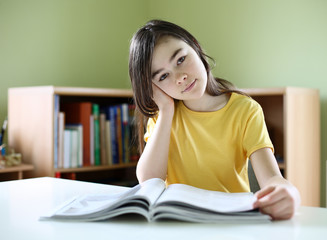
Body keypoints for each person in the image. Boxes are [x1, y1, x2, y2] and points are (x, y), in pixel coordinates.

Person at [128, 19, 300, 220]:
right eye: (163, 76)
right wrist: (166, 110)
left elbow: (272, 178)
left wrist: (290, 194)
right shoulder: (162, 117)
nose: (179, 77)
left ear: (195, 46)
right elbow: (149, 180)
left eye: (181, 59)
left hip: (230, 221)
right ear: (154, 87)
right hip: (178, 221)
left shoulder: (245, 110)